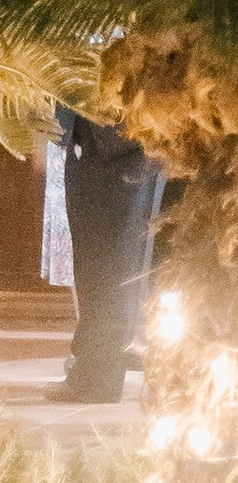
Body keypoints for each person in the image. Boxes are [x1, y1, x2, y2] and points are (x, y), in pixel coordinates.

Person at [54, 107, 160, 404]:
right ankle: (96, 368)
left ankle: (98, 376)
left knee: (108, 262)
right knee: (100, 260)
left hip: (120, 141)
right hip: (105, 138)